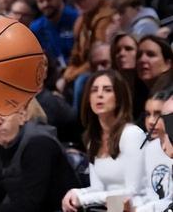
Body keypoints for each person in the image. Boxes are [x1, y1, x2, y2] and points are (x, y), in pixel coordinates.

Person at [0, 105, 80, 212]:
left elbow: (31, 205)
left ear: (22, 116)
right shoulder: (0, 149)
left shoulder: (39, 143)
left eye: (3, 113)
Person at [61, 70, 145, 211]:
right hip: (111, 208)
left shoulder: (132, 134)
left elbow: (133, 192)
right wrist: (75, 193)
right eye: (94, 90)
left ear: (119, 97)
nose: (99, 95)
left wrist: (83, 199)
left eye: (107, 90)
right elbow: (98, 189)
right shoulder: (93, 139)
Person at [128, 91, 172, 211]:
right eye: (148, 114)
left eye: (158, 114)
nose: (151, 121)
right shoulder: (149, 148)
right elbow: (144, 192)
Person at [30, 0, 78, 67]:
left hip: (76, 67)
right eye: (41, 1)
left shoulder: (76, 18)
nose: (45, 4)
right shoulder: (36, 27)